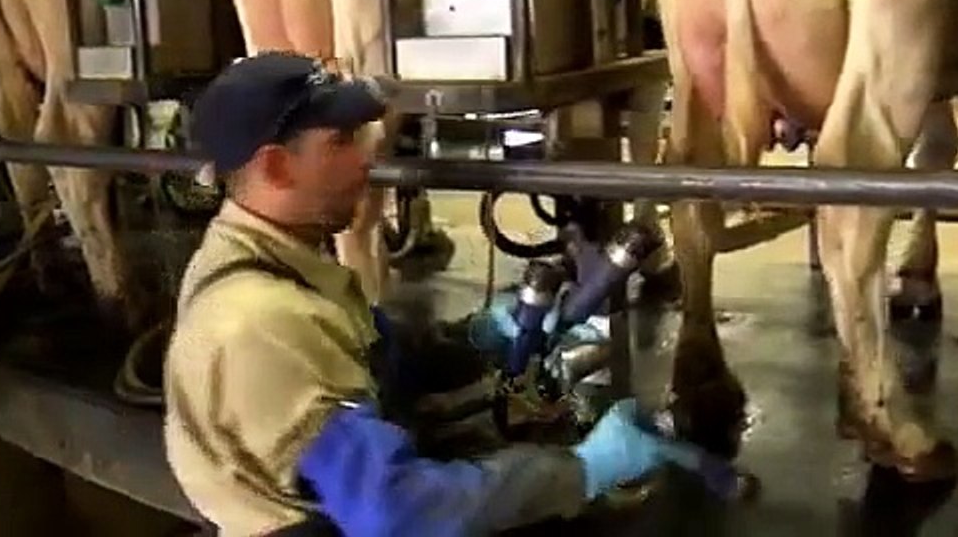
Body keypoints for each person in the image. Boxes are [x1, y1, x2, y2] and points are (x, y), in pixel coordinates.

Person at [163, 51, 704, 537]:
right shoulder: (258, 322)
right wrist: (585, 469)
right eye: (341, 142)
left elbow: (377, 357)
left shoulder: (273, 260)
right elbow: (396, 511)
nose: (367, 158)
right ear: (277, 166)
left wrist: (479, 338)